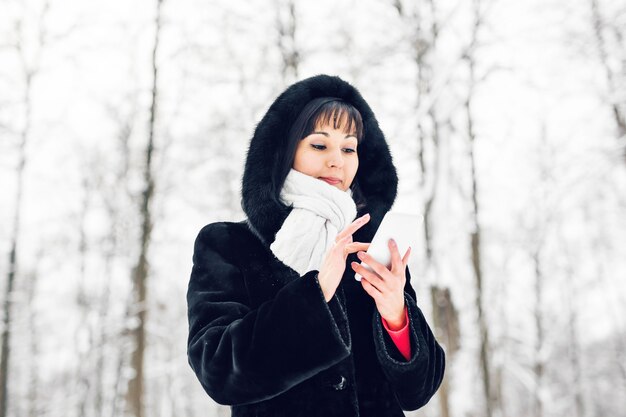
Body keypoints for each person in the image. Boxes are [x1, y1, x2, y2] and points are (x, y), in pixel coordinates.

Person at [186, 74, 445, 417]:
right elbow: (217, 370)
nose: (337, 160)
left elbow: (419, 391)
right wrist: (316, 292)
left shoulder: (372, 250)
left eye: (349, 148)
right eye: (319, 145)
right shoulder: (228, 245)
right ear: (284, 150)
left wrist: (396, 314)